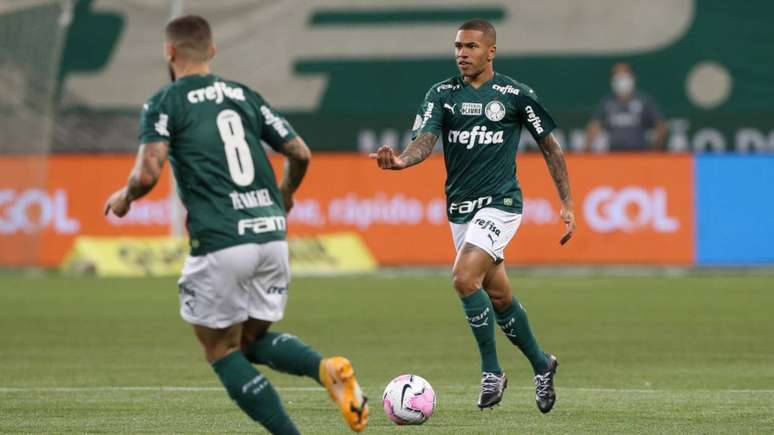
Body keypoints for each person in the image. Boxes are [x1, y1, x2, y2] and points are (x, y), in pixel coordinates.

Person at [104, 15, 368, 434]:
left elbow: (148, 172)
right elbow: (300, 152)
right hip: (271, 236)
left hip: (221, 241)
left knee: (219, 350)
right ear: (212, 50)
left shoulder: (165, 101)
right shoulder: (244, 95)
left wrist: (124, 198)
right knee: (249, 341)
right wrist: (285, 195)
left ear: (170, 52)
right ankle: (326, 370)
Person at [369, 19, 575, 413]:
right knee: (498, 296)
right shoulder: (441, 95)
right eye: (457, 46)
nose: (462, 53)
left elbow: (551, 148)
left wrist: (567, 203)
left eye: (470, 47)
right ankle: (541, 364)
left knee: (463, 278)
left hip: (502, 204)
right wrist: (400, 161)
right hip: (460, 211)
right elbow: (424, 142)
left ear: (490, 52)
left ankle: (491, 371)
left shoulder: (515, 95)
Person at [585, 62, 668, 151]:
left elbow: (661, 126)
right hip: (612, 156)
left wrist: (654, 150)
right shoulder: (607, 102)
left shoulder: (644, 101)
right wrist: (590, 148)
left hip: (640, 154)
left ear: (633, 77)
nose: (622, 80)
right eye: (618, 77)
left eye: (625, 75)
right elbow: (593, 126)